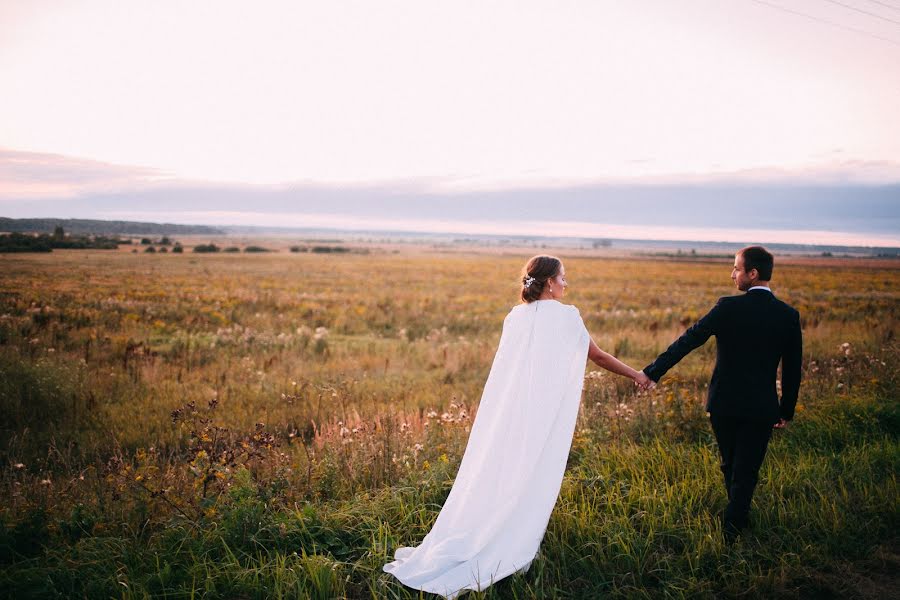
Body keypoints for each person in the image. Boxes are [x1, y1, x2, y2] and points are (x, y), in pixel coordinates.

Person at [383, 255, 651, 598]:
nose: (566, 284)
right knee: (534, 472)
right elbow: (596, 356)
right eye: (563, 278)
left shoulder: (515, 317)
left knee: (502, 469)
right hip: (543, 414)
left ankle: (496, 527)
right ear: (550, 283)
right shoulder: (568, 316)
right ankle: (514, 540)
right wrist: (637, 375)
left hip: (509, 414)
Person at [642, 245, 802, 542]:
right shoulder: (787, 315)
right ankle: (737, 519)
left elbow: (688, 340)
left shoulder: (727, 307)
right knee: (746, 468)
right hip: (761, 407)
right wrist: (786, 409)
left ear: (753, 274)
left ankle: (732, 527)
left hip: (723, 404)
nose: (733, 275)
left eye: (737, 269)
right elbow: (793, 369)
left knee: (731, 464)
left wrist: (652, 372)